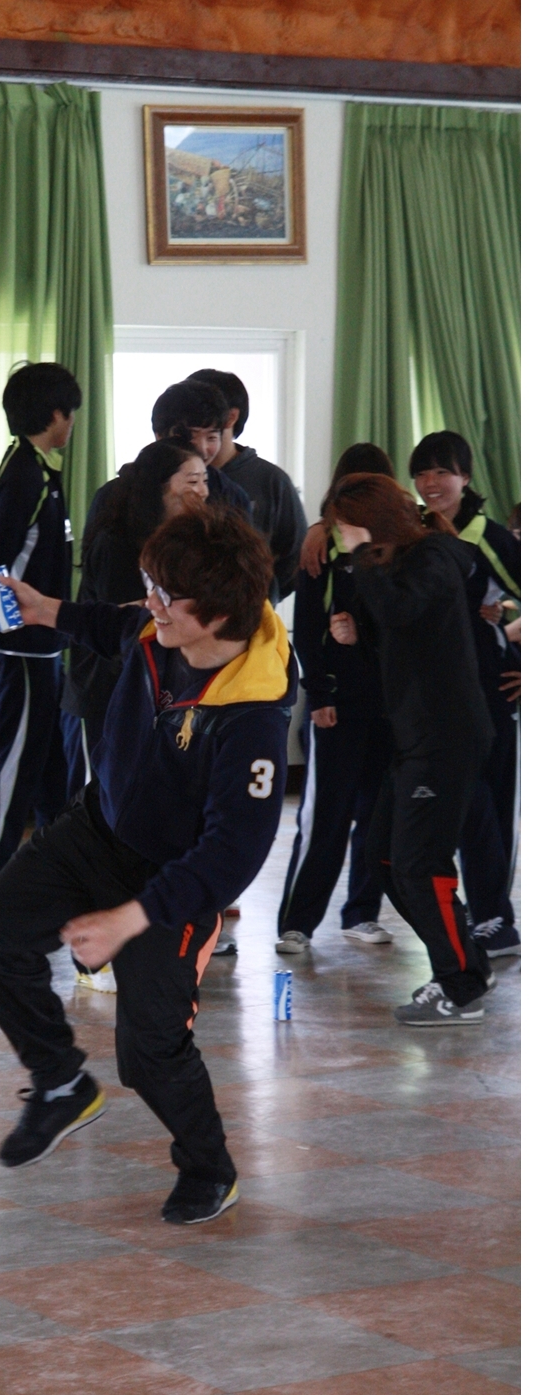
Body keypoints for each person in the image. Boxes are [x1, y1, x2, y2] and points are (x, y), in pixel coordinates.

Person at [0, 505, 296, 1224]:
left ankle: (209, 1169)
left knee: (148, 1050)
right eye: (150, 586)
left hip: (172, 885)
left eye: (165, 595)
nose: (151, 603)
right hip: (97, 828)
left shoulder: (251, 718)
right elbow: (111, 626)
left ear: (215, 615)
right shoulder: (158, 626)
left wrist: (130, 918)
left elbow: (230, 857)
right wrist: (44, 609)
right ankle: (61, 1083)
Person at [323, 473, 494, 1025]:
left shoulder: (435, 556)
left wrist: (361, 559)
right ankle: (466, 962)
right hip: (416, 736)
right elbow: (403, 642)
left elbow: (401, 611)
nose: (342, 541)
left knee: (420, 863)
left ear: (371, 523)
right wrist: (358, 636)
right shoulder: (397, 567)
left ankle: (459, 986)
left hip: (445, 736)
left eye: (346, 529)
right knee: (387, 857)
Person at [61, 442, 210, 988]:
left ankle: (153, 934)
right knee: (107, 818)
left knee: (154, 819)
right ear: (160, 486)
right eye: (190, 481)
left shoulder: (193, 541)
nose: (202, 491)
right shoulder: (117, 540)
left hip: (162, 699)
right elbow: (124, 623)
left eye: (205, 480)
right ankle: (91, 955)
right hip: (108, 694)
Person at [276, 446, 395, 958]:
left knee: (377, 816)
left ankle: (362, 913)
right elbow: (306, 627)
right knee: (324, 815)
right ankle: (296, 923)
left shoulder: (404, 547)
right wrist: (320, 693)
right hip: (337, 706)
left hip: (391, 707)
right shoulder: (323, 548)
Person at [0, 361, 80, 900]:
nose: (73, 422)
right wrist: (13, 631)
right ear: (54, 414)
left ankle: (53, 884)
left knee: (51, 771)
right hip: (22, 651)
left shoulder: (41, 469)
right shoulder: (24, 474)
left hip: (44, 648)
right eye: (70, 412)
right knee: (12, 763)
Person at [409, 431, 521, 960]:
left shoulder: (490, 537)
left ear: (466, 477)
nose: (430, 483)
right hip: (437, 697)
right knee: (463, 807)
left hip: (489, 693)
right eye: (421, 472)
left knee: (490, 805)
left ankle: (496, 919)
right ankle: (482, 915)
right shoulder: (417, 530)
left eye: (442, 472)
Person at [188, 368, 308, 604]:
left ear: (231, 417)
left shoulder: (271, 480)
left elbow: (294, 556)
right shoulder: (174, 475)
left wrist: (259, 595)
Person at [150, 381, 254, 520]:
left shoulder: (231, 497)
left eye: (211, 437)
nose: (202, 449)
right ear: (160, 435)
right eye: (190, 436)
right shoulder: (127, 488)